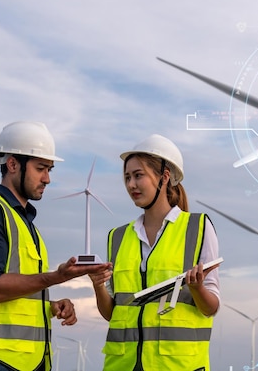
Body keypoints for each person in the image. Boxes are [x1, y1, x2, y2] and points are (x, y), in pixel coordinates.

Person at [0, 121, 112, 371]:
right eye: (41, 168)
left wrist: (49, 307)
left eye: (49, 169)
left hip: (22, 361)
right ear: (12, 164)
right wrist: (56, 277)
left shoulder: (24, 223)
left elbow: (16, 297)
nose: (48, 179)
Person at [89, 133, 221, 371]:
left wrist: (197, 288)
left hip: (177, 365)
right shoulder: (117, 237)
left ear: (164, 176)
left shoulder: (197, 228)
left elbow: (211, 307)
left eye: (138, 176)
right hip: (122, 365)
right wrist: (98, 285)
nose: (131, 185)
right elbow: (112, 314)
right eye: (127, 177)